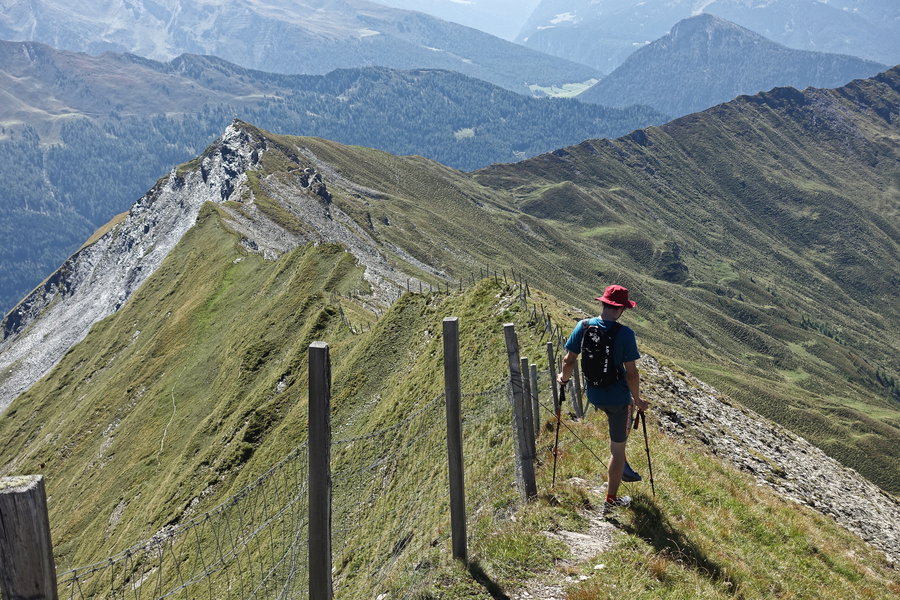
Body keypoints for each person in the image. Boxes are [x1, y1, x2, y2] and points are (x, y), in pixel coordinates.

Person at [557, 284, 648, 513]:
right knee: (617, 449)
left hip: (594, 394)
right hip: (618, 398)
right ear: (622, 309)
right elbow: (632, 373)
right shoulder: (625, 334)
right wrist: (637, 399)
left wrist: (563, 380)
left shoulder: (583, 325)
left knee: (615, 441)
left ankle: (619, 471)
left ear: (604, 303)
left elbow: (569, 360)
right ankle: (611, 500)